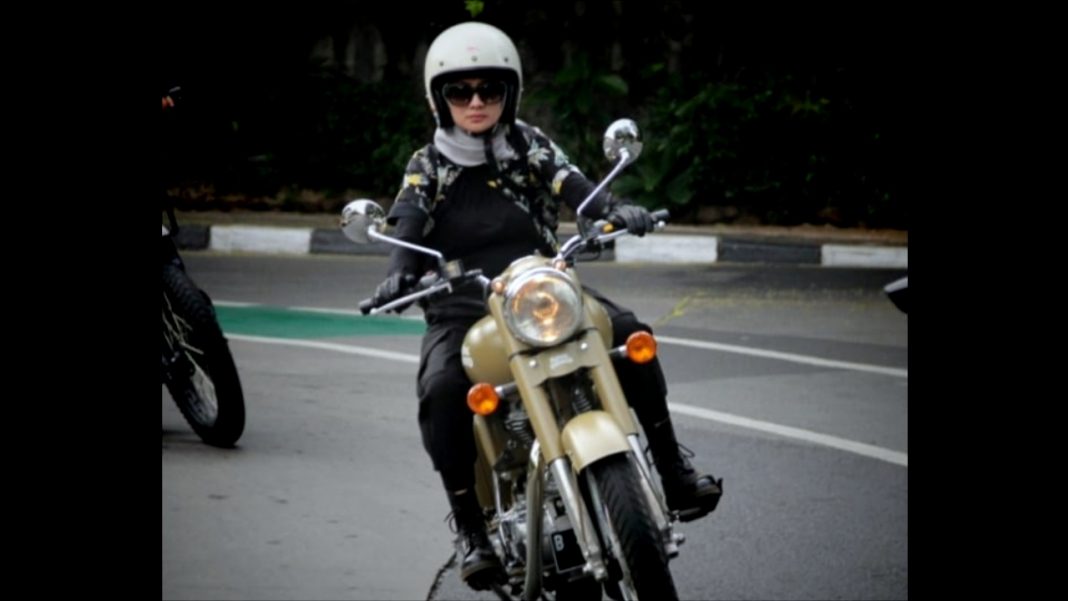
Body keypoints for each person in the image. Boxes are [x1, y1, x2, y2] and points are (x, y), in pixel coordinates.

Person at [370, 21, 722, 590]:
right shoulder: (426, 164)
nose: (477, 102)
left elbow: (574, 185)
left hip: (542, 286)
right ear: (440, 99)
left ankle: (673, 470)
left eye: (490, 89)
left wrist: (612, 210)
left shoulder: (527, 143)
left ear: (510, 93)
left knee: (629, 334)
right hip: (464, 305)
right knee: (440, 389)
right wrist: (398, 272)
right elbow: (407, 220)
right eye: (461, 91)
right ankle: (471, 529)